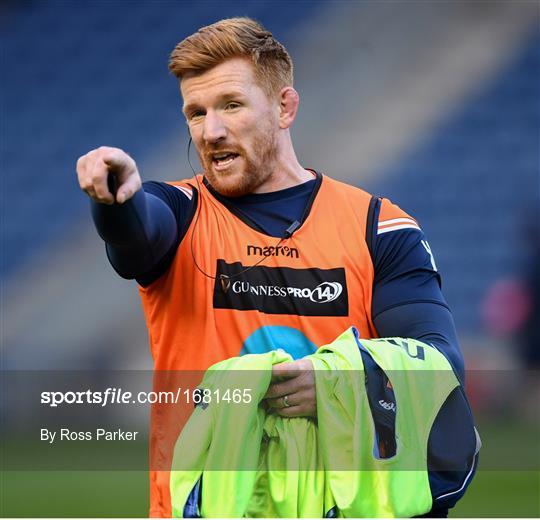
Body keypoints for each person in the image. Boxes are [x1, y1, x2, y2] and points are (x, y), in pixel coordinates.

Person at [76, 17, 478, 518]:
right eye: (195, 113)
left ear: (285, 107)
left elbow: (439, 362)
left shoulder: (379, 226)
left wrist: (337, 383)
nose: (212, 130)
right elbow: (135, 236)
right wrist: (117, 200)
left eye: (231, 105)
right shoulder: (179, 213)